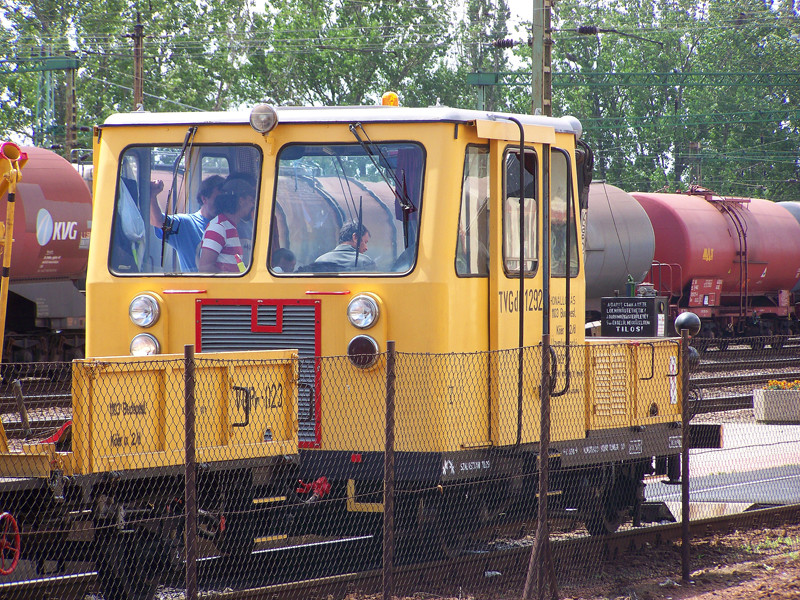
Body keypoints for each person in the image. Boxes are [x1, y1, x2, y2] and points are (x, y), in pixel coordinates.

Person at [149, 175, 224, 271]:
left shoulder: (231, 224)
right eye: (218, 199)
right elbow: (157, 221)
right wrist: (152, 195)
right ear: (204, 198)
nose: (222, 204)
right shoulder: (186, 224)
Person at [198, 179, 256, 273]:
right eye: (251, 200)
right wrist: (230, 278)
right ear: (241, 201)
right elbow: (205, 268)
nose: (252, 205)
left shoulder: (231, 227)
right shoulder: (218, 227)